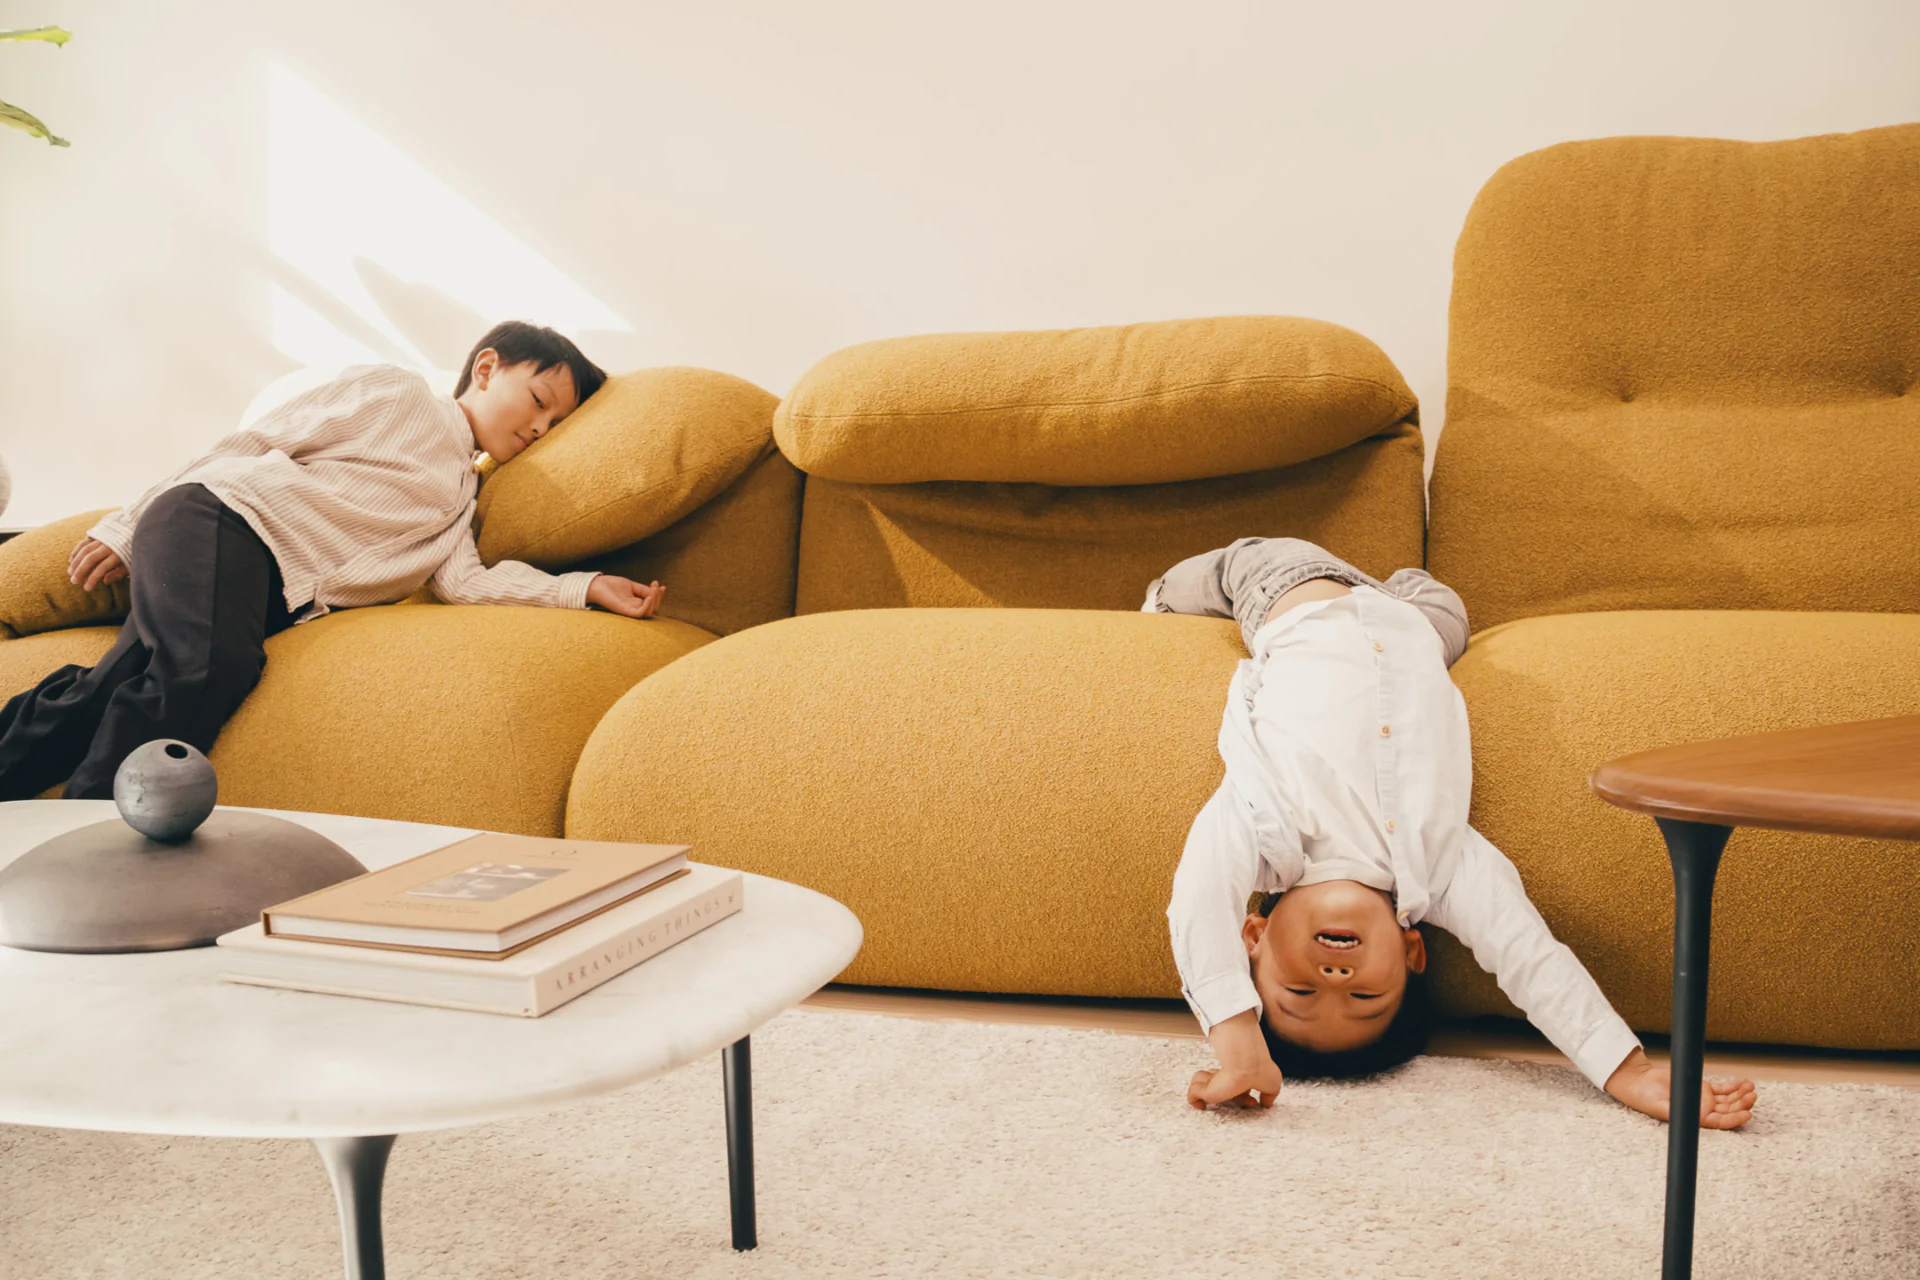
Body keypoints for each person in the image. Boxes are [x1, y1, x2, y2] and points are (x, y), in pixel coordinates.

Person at [1150, 536, 1756, 1129]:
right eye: (1364, 999)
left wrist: (1236, 1036)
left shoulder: (1262, 834)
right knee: (1446, 608)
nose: (1335, 981)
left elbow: (1199, 900)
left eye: (1298, 993)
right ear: (1412, 952)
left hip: (1296, 595)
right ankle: (1403, 586)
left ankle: (1160, 597)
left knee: (1229, 566)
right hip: (1419, 632)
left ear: (1254, 935)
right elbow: (1529, 957)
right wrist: (1628, 1071)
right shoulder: (1440, 873)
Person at [0, 320, 667, 803]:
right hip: (220, 519)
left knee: (110, 689)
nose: (538, 431)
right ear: (487, 369)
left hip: (259, 585)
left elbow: (468, 582)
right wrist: (127, 522)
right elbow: (255, 440)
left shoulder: (463, 500)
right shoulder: (398, 394)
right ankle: (86, 840)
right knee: (207, 668)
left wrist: (585, 587)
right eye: (539, 403)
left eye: (553, 427)